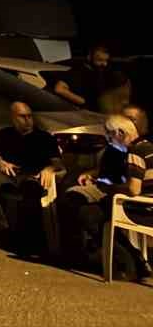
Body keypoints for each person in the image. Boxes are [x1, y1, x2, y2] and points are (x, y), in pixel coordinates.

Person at [56, 112, 149, 279]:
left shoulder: (136, 151)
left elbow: (134, 190)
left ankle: (129, 263)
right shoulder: (146, 147)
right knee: (93, 208)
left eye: (110, 136)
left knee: (88, 214)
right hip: (144, 204)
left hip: (143, 209)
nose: (108, 141)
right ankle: (133, 261)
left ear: (121, 133)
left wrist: (108, 188)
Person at [0, 100, 62, 252]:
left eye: (29, 116)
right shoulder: (6, 133)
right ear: (13, 118)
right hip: (10, 173)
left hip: (34, 175)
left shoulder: (44, 137)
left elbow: (58, 163)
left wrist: (49, 169)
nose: (27, 120)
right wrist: (1, 162)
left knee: (30, 190)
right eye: (22, 116)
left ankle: (31, 241)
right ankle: (3, 232)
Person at [52, 44, 131, 113]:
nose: (104, 64)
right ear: (89, 57)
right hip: (80, 112)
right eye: (100, 60)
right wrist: (83, 102)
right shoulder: (78, 71)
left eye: (106, 60)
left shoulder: (102, 72)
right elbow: (59, 89)